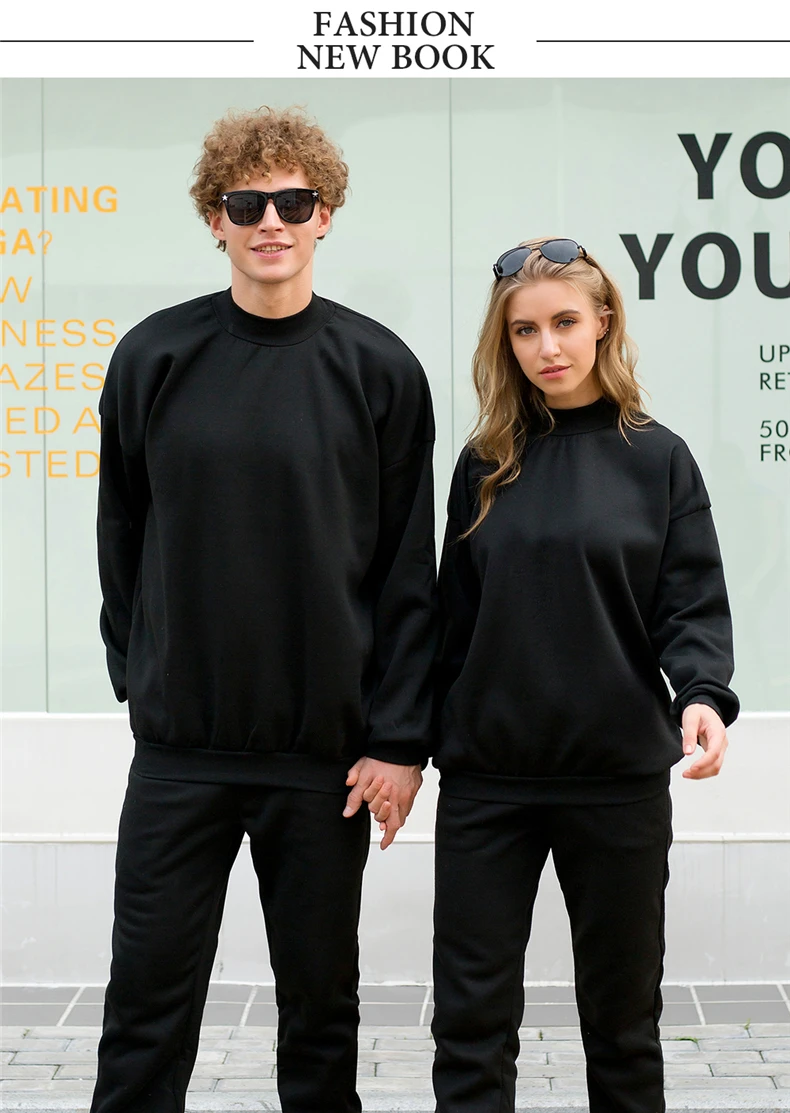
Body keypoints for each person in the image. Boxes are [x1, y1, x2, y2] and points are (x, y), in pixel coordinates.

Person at [92, 106, 437, 1113]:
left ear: (325, 214)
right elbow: (121, 534)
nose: (270, 221)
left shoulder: (379, 369)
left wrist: (399, 739)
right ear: (215, 217)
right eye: (247, 203)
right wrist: (142, 675)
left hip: (322, 759)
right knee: (145, 1010)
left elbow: (405, 570)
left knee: (321, 1014)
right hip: (180, 753)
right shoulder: (154, 357)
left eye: (294, 201)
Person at [431, 237, 738, 1113]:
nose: (548, 347)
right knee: (471, 1024)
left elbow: (690, 601)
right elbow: (451, 622)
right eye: (524, 330)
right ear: (506, 342)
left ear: (603, 322)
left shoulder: (659, 458)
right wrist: (409, 743)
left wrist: (703, 696)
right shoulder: (485, 462)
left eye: (564, 322)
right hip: (488, 782)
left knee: (624, 1022)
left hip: (616, 781)